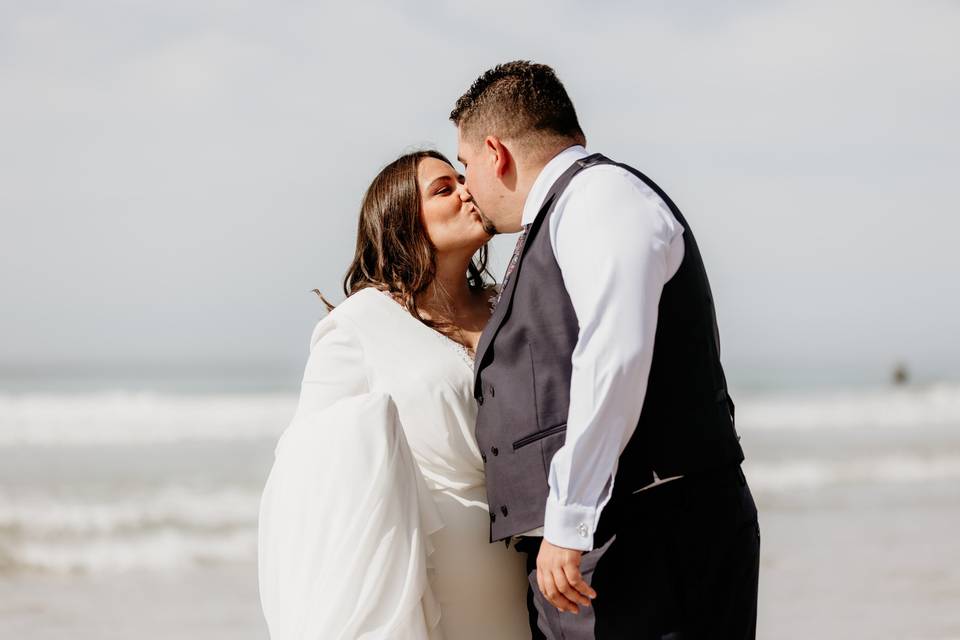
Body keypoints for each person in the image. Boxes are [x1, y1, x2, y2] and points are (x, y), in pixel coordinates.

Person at [452, 61, 760, 639]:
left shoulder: (599, 197)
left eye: (465, 166)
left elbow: (614, 355)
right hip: (619, 540)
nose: (467, 185)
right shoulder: (571, 210)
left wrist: (567, 522)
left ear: (496, 153)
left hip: (648, 539)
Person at [257, 150, 531, 639]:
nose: (467, 191)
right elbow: (308, 478)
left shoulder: (510, 306)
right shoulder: (359, 325)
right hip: (434, 588)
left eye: (462, 179)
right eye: (443, 189)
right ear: (401, 218)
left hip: (533, 571)